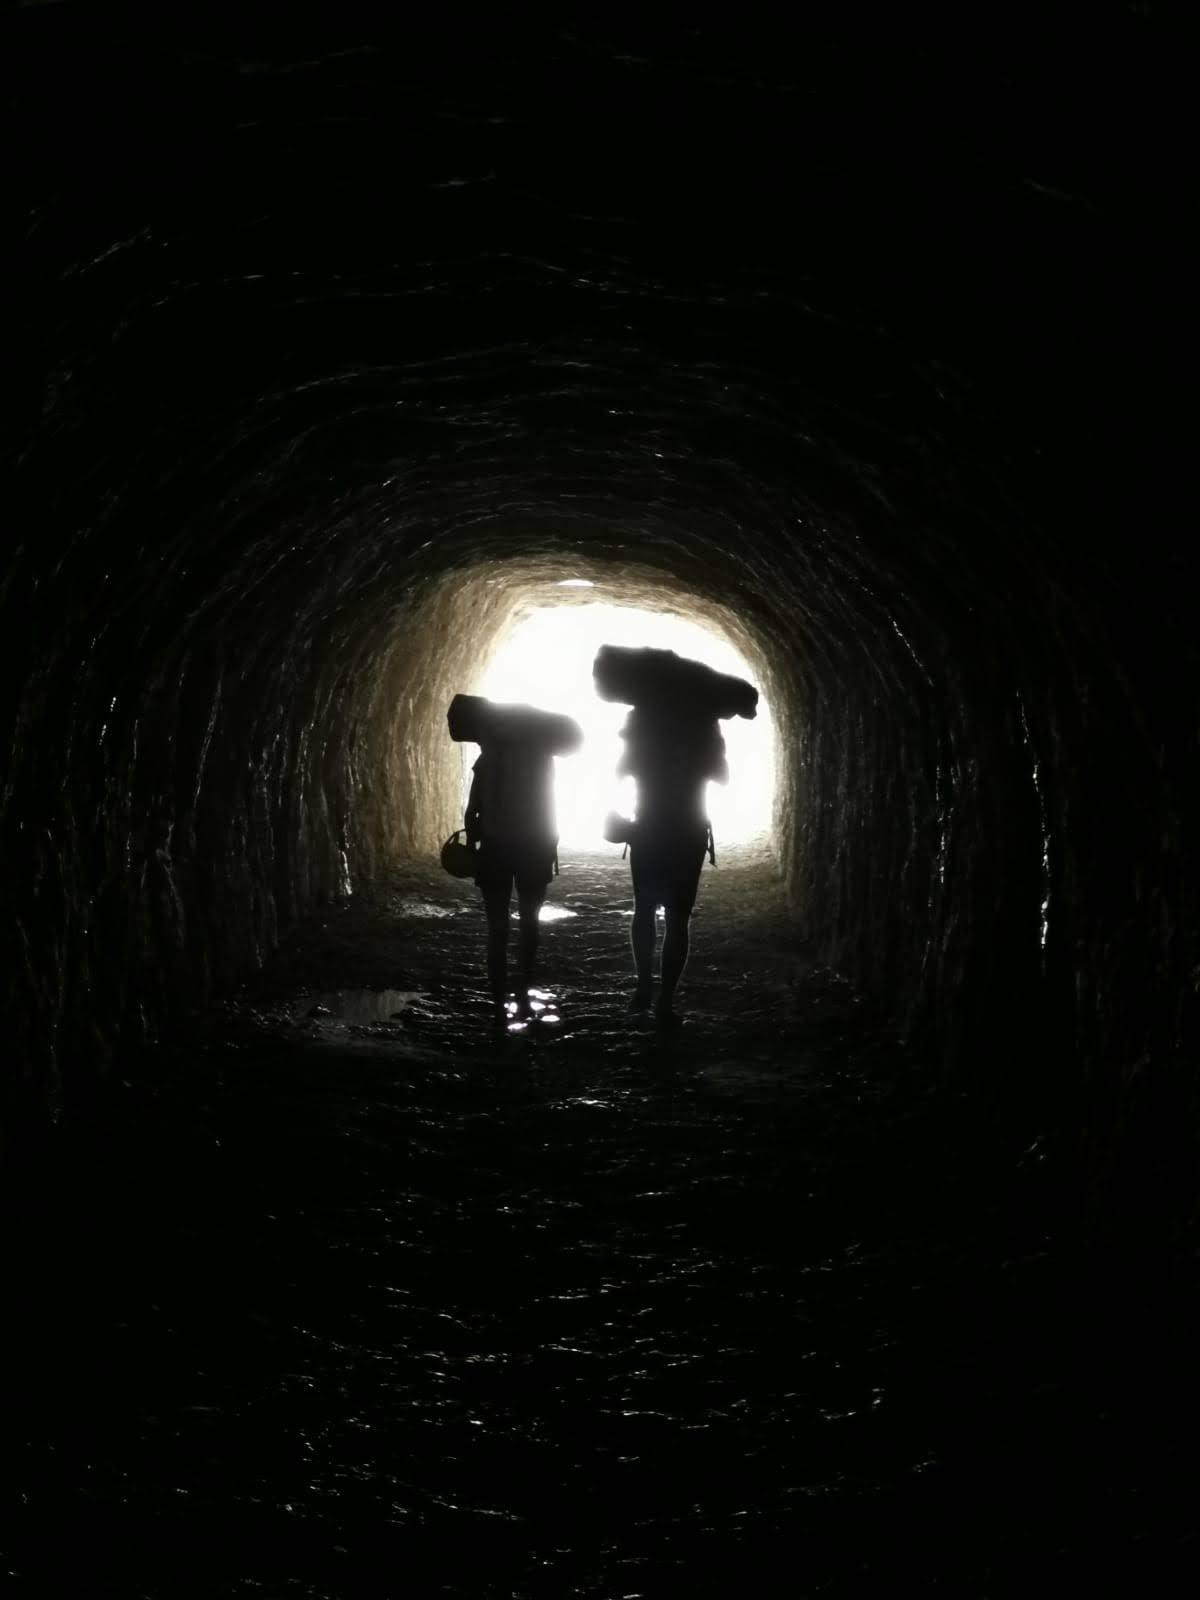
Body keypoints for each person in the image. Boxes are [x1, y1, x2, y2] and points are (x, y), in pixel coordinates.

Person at [617, 706, 727, 1029]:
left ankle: (643, 988)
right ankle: (665, 1000)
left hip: (648, 832)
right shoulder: (703, 729)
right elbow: (722, 776)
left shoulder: (642, 725)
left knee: (644, 910)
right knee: (678, 919)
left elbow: (621, 770)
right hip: (687, 836)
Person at [465, 738, 559, 1027]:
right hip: (534, 850)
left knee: (497, 928)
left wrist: (471, 847)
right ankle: (522, 991)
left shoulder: (487, 759)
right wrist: (550, 847)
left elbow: (472, 810)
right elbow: (549, 807)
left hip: (495, 850)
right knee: (530, 923)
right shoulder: (542, 758)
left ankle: (497, 1002)